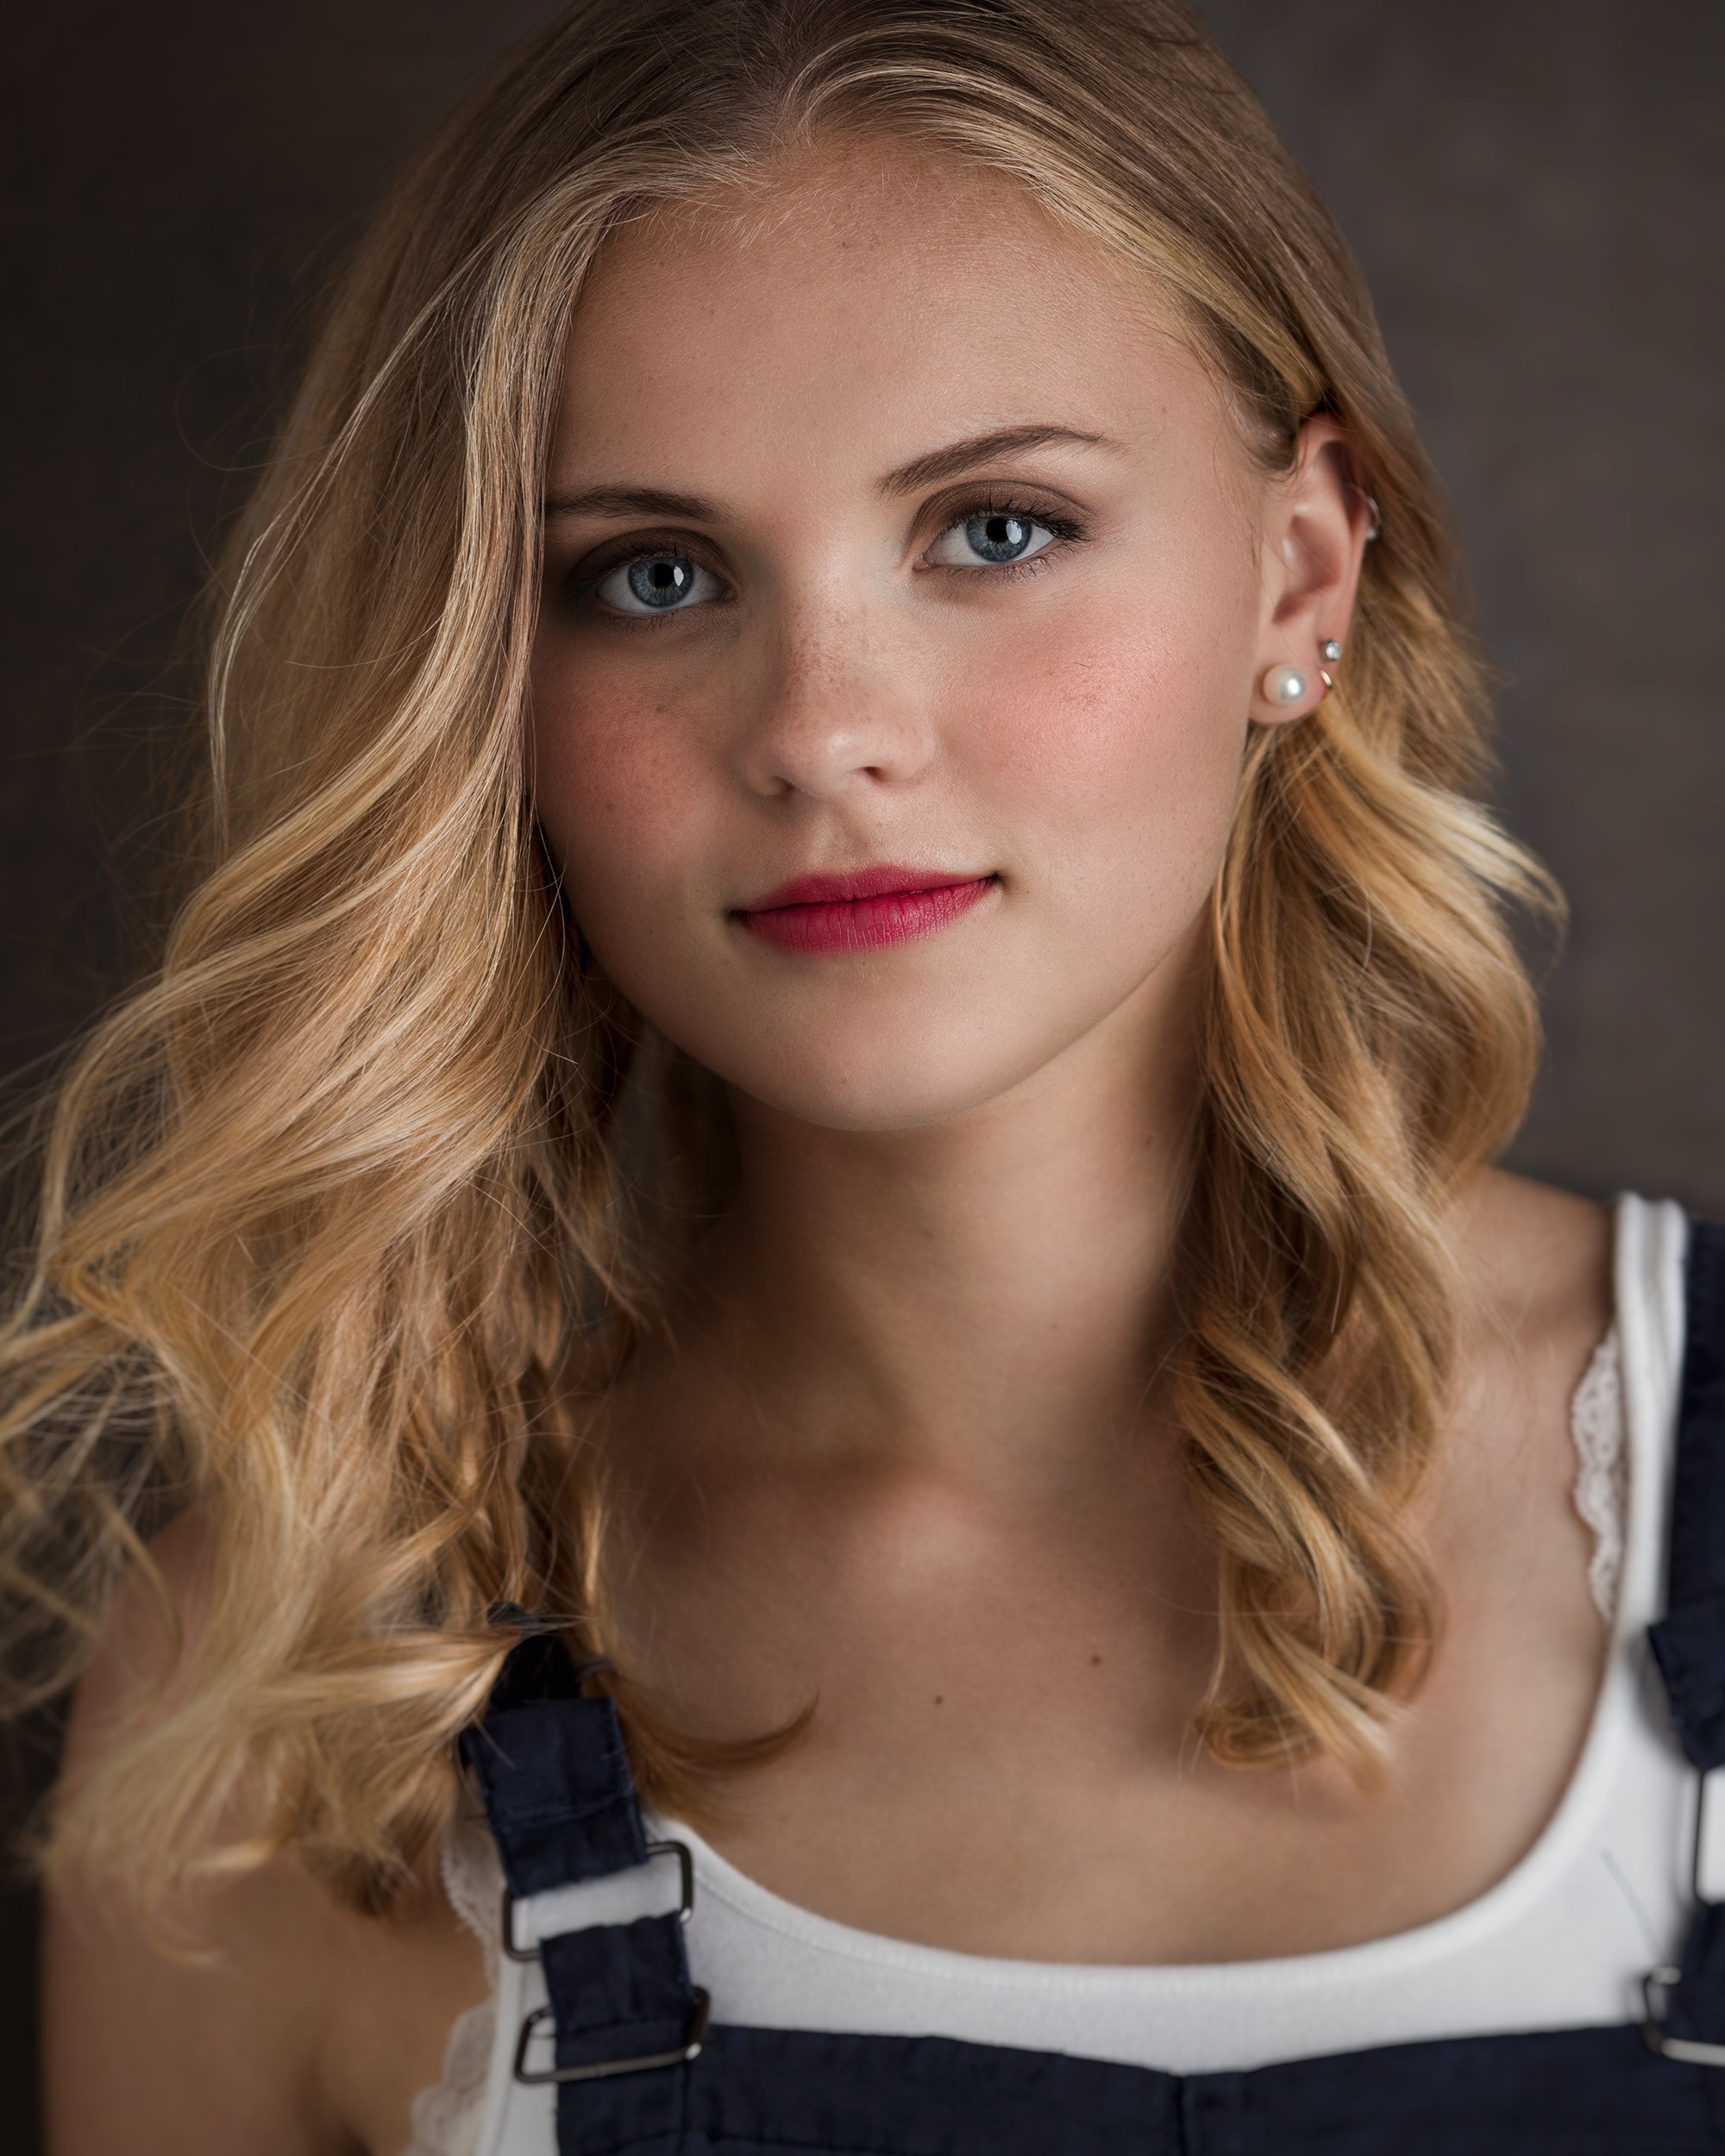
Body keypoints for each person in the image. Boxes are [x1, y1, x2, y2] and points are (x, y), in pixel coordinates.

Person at [6, 1, 1717, 2150]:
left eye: (993, 528)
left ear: (1300, 567)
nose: (824, 726)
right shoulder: (296, 1703)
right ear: (487, 686)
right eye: (652, 573)